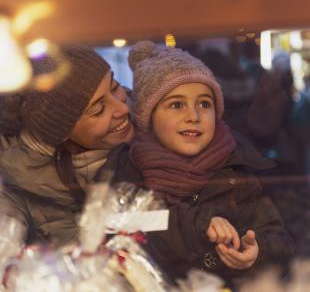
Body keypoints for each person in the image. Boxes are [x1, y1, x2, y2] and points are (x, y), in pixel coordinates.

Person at [97, 41, 295, 284]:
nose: (193, 116)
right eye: (177, 105)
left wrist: (257, 253)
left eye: (204, 104)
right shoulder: (127, 169)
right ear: (149, 117)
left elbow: (279, 240)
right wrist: (201, 225)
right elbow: (131, 229)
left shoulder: (236, 169)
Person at [0, 45, 134, 247]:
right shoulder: (19, 191)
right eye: (98, 110)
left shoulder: (159, 124)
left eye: (115, 86)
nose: (123, 108)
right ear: (62, 133)